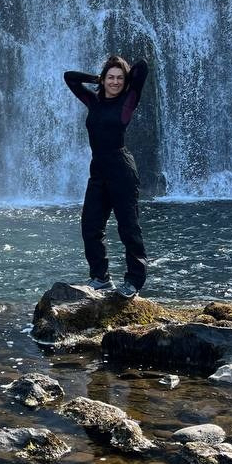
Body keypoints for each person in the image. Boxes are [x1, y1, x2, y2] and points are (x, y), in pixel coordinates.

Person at [64, 55, 149, 297]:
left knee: (128, 228)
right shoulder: (94, 101)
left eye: (119, 78)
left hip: (122, 170)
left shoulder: (128, 101)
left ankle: (134, 281)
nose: (114, 82)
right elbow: (69, 78)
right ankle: (100, 277)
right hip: (98, 171)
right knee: (90, 226)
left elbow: (142, 66)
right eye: (110, 77)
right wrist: (97, 78)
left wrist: (126, 73)